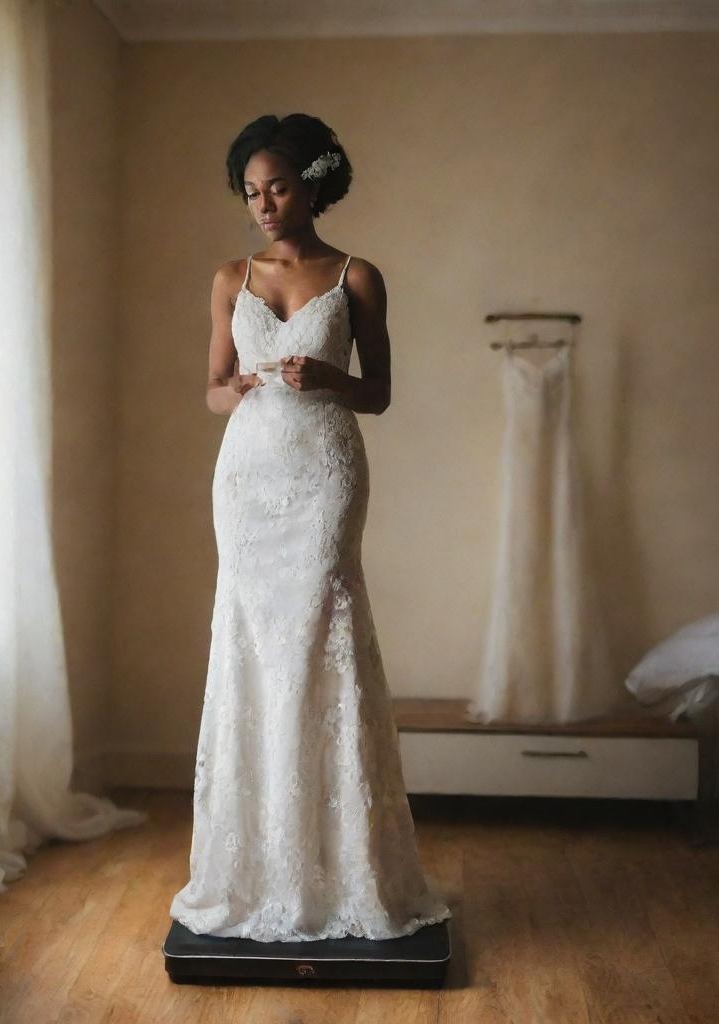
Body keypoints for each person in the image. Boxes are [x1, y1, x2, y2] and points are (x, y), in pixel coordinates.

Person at [169, 113, 452, 942]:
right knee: (253, 640)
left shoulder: (357, 277)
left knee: (322, 631)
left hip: (325, 473)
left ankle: (344, 869)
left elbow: (381, 393)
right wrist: (247, 387)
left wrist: (331, 376)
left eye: (278, 186)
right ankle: (257, 867)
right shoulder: (230, 277)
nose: (262, 204)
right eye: (251, 191)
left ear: (316, 181)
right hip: (248, 478)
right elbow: (213, 390)